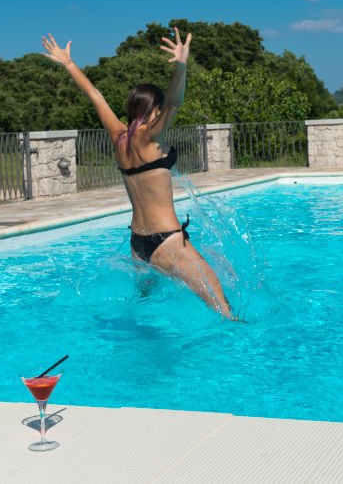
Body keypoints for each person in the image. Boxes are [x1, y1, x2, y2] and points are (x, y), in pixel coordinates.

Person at [41, 28, 234, 319]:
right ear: (154, 110)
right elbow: (175, 103)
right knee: (224, 311)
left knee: (143, 312)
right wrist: (181, 66)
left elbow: (95, 95)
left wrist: (69, 64)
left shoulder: (119, 136)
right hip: (167, 242)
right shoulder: (150, 137)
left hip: (138, 245)